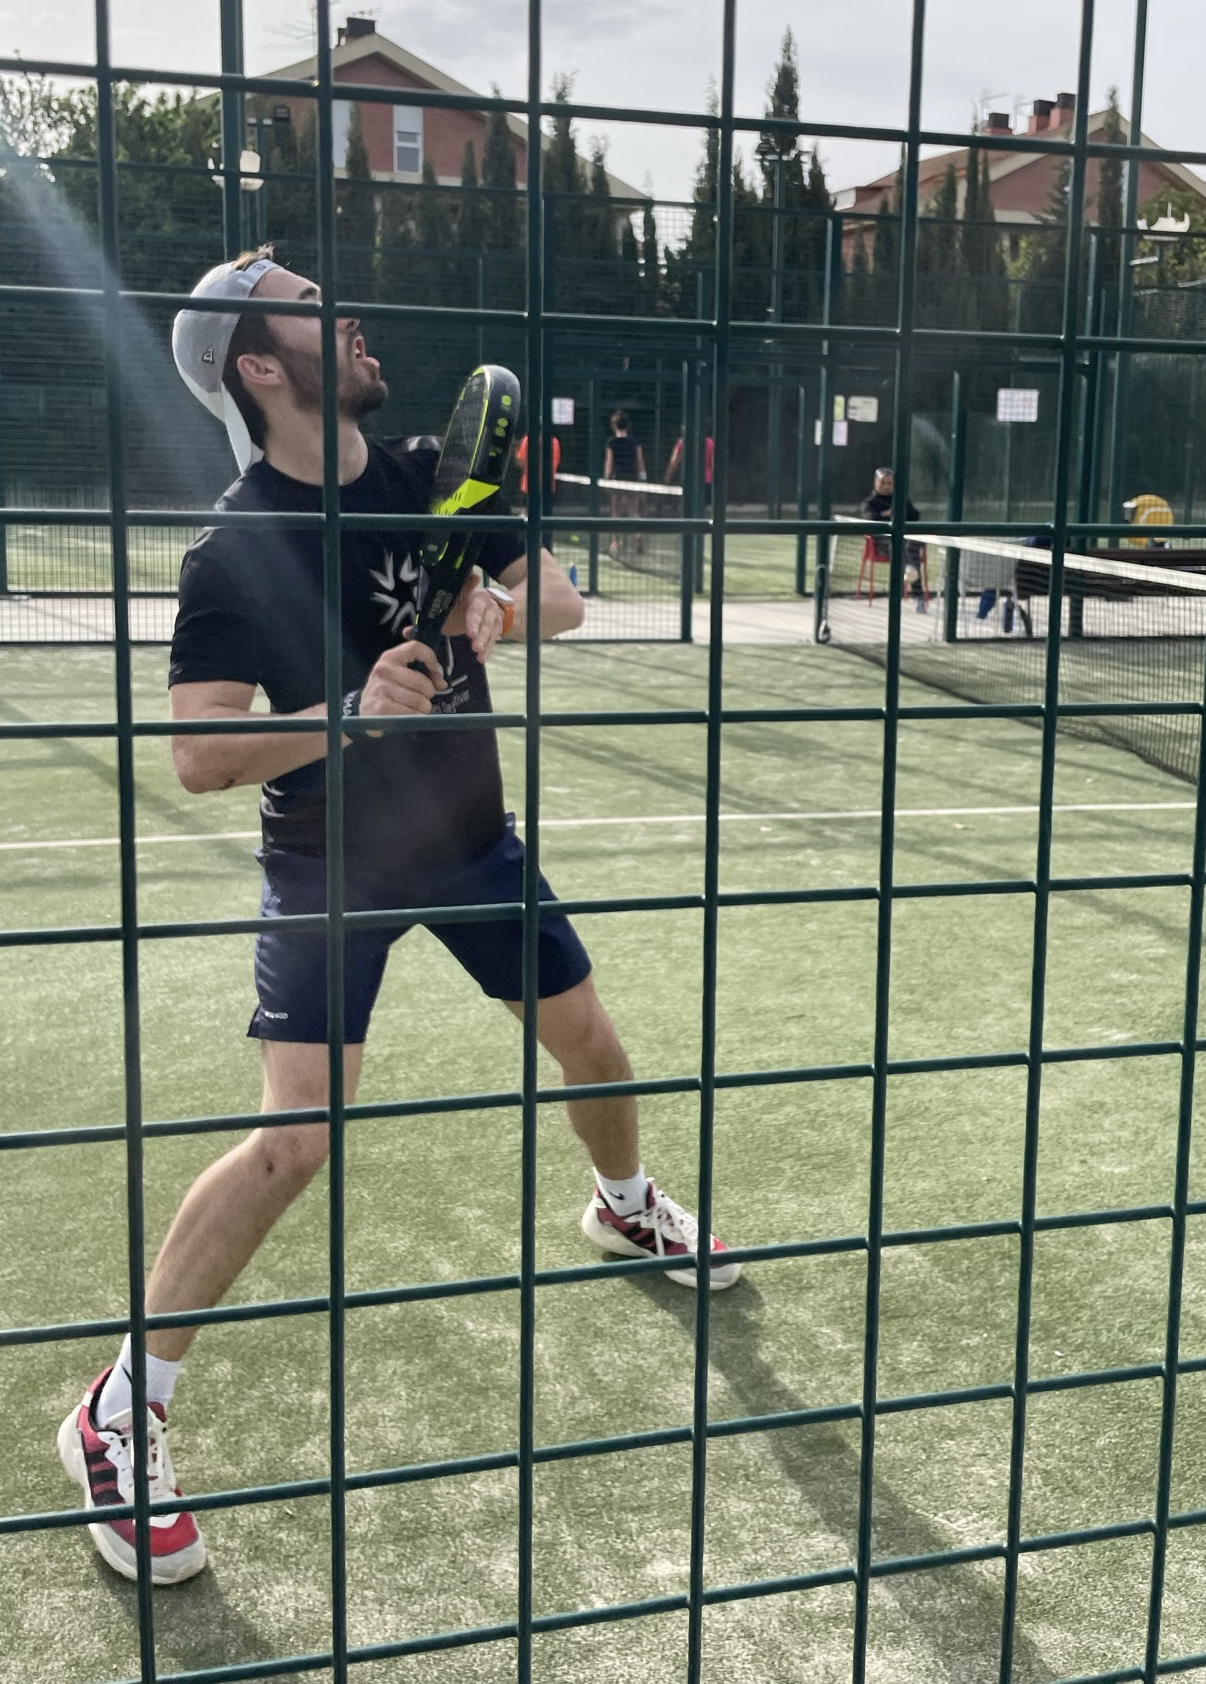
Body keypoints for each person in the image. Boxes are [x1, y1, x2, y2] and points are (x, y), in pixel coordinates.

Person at [57, 250, 737, 1588]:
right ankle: (117, 1410)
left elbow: (564, 599)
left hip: (471, 841)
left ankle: (622, 1206)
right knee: (295, 1138)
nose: (346, 315)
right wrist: (350, 715)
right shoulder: (234, 547)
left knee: (595, 1047)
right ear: (260, 365)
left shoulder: (437, 474)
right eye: (308, 307)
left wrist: (502, 607)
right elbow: (198, 755)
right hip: (329, 868)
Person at [860, 464, 927, 610]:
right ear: (875, 483)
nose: (886, 486)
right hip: (882, 544)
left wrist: (899, 510)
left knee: (911, 545)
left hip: (907, 542)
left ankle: (909, 574)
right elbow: (872, 519)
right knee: (903, 550)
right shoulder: (869, 503)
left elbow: (915, 515)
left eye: (889, 483)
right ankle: (914, 592)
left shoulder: (900, 499)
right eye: (883, 482)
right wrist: (890, 514)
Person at [602, 408, 646, 556]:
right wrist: (643, 478)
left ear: (614, 425)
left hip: (618, 479)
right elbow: (640, 461)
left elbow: (609, 463)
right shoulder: (635, 442)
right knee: (634, 510)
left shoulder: (612, 443)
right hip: (632, 479)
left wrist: (606, 479)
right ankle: (638, 535)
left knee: (616, 511)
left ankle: (614, 542)